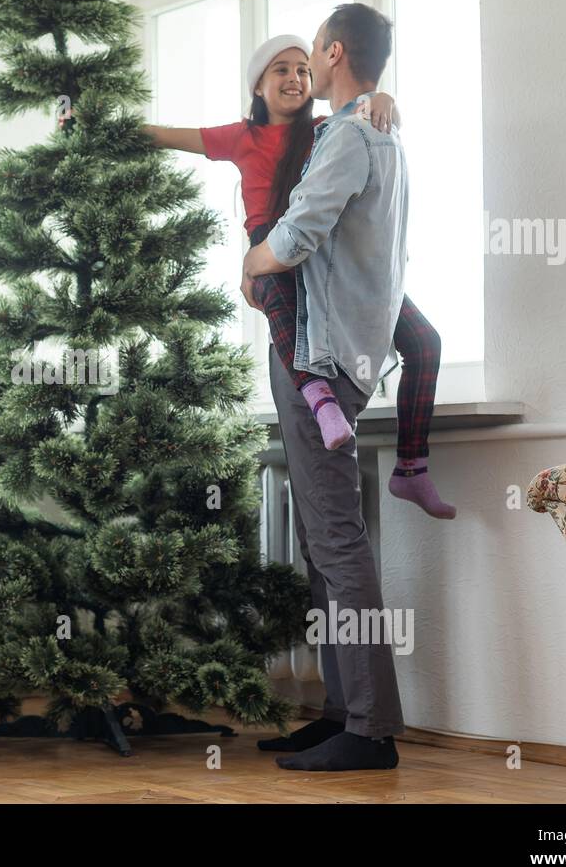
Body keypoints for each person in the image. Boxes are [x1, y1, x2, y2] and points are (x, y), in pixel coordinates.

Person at [143, 36, 454, 519]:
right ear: (259, 86)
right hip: (270, 248)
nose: (295, 79)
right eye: (281, 71)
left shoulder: (328, 129)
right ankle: (318, 396)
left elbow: (366, 117)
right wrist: (96, 125)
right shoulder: (240, 136)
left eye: (302, 71)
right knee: (271, 292)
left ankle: (411, 468)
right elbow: (165, 135)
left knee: (425, 342)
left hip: (322, 255)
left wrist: (383, 98)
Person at [241, 3, 410, 771]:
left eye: (312, 55)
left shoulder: (350, 133)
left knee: (336, 540)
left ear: (335, 53)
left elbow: (300, 231)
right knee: (321, 537)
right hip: (349, 351)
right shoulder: (383, 131)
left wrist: (251, 262)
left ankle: (371, 729)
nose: (305, 71)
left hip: (324, 355)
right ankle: (343, 711)